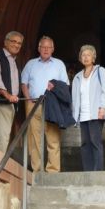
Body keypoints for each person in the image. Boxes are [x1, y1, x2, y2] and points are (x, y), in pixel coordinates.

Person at [21, 36, 69, 173]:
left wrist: (55, 88)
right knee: (35, 139)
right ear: (39, 48)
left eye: (49, 47)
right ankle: (37, 170)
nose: (46, 49)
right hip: (34, 104)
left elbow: (65, 84)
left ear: (53, 49)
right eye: (43, 47)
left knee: (53, 138)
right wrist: (28, 99)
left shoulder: (59, 64)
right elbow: (24, 83)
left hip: (52, 105)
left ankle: (53, 171)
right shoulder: (31, 64)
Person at [72, 44, 105, 171]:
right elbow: (75, 98)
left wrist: (102, 108)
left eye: (88, 55)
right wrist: (75, 116)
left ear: (93, 58)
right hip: (83, 115)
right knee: (85, 144)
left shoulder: (101, 71)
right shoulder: (77, 77)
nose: (85, 57)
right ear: (80, 58)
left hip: (96, 113)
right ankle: (88, 171)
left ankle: (97, 172)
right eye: (83, 55)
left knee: (95, 142)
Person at [0, 31, 24, 153]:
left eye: (19, 43)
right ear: (5, 42)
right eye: (13, 41)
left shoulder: (14, 61)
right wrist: (8, 96)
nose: (16, 45)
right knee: (4, 134)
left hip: (10, 102)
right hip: (1, 101)